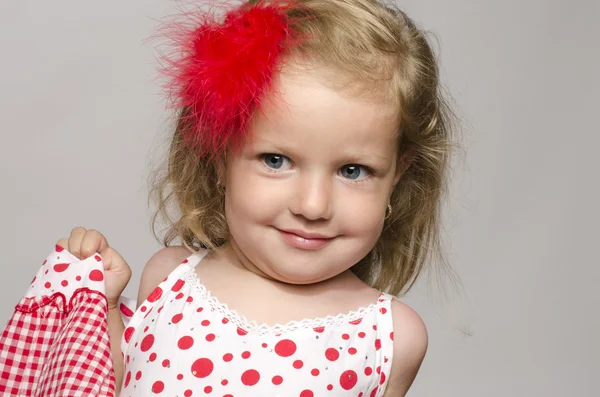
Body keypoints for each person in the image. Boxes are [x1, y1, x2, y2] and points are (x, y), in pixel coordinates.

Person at [57, 0, 456, 395]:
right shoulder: (169, 278)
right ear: (218, 153)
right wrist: (102, 309)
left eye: (353, 171)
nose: (313, 206)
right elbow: (121, 384)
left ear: (397, 175)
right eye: (276, 160)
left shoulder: (390, 337)